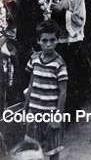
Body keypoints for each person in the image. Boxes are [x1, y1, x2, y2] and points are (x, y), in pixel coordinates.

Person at [23, 20, 67, 160]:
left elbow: (63, 92)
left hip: (51, 115)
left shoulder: (59, 64)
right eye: (45, 40)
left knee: (52, 151)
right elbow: (31, 83)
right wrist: (25, 108)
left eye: (52, 40)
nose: (49, 44)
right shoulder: (34, 59)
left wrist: (58, 117)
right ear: (38, 41)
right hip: (34, 113)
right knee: (33, 151)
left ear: (57, 41)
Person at [49, 0, 87, 113]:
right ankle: (62, 106)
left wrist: (63, 10)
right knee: (61, 74)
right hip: (60, 41)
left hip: (73, 41)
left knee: (72, 74)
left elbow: (80, 19)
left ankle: (73, 108)